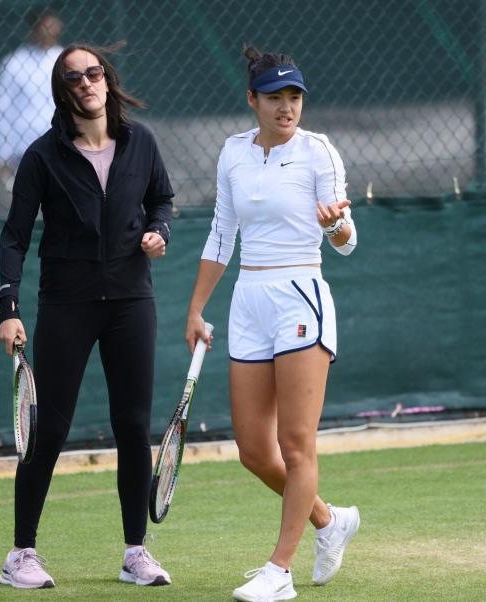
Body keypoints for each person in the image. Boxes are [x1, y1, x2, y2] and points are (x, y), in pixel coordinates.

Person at [185, 45, 361, 601]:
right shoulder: (233, 153)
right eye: (275, 98)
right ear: (252, 101)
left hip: (300, 297)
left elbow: (348, 242)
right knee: (256, 453)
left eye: (294, 97)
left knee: (296, 441)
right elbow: (221, 234)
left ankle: (279, 570)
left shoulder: (319, 153)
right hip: (248, 301)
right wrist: (195, 308)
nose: (287, 108)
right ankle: (330, 522)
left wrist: (335, 229)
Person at [0, 43, 174, 590]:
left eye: (93, 72)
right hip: (67, 304)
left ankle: (135, 553)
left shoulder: (140, 142)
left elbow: (163, 201)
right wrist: (9, 308)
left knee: (132, 426)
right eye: (73, 78)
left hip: (130, 302)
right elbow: (15, 237)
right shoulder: (42, 156)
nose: (86, 83)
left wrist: (158, 233)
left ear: (107, 78)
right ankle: (21, 554)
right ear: (63, 91)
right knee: (47, 427)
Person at [0, 7, 64, 186]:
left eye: (53, 25)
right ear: (35, 28)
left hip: (61, 144)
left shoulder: (65, 59)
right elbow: (1, 109)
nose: (51, 30)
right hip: (23, 149)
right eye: (46, 25)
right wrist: (3, 152)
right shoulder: (14, 63)